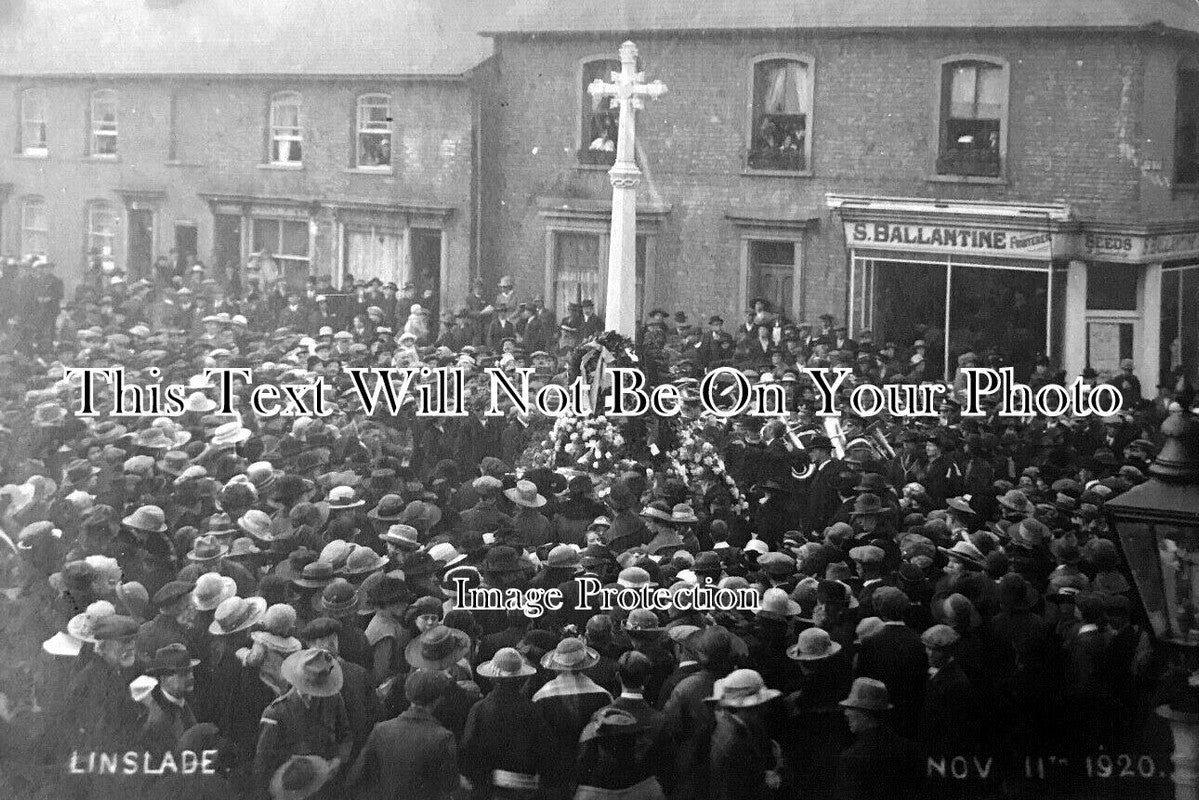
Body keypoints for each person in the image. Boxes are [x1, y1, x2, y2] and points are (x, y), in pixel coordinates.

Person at [346, 670, 462, 800]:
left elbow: (355, 776)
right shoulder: (443, 737)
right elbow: (450, 784)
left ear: (407, 695)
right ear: (438, 699)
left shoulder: (381, 730)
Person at [834, 678, 925, 800]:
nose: (846, 713)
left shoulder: (853, 758)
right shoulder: (911, 750)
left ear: (864, 713)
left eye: (851, 708)